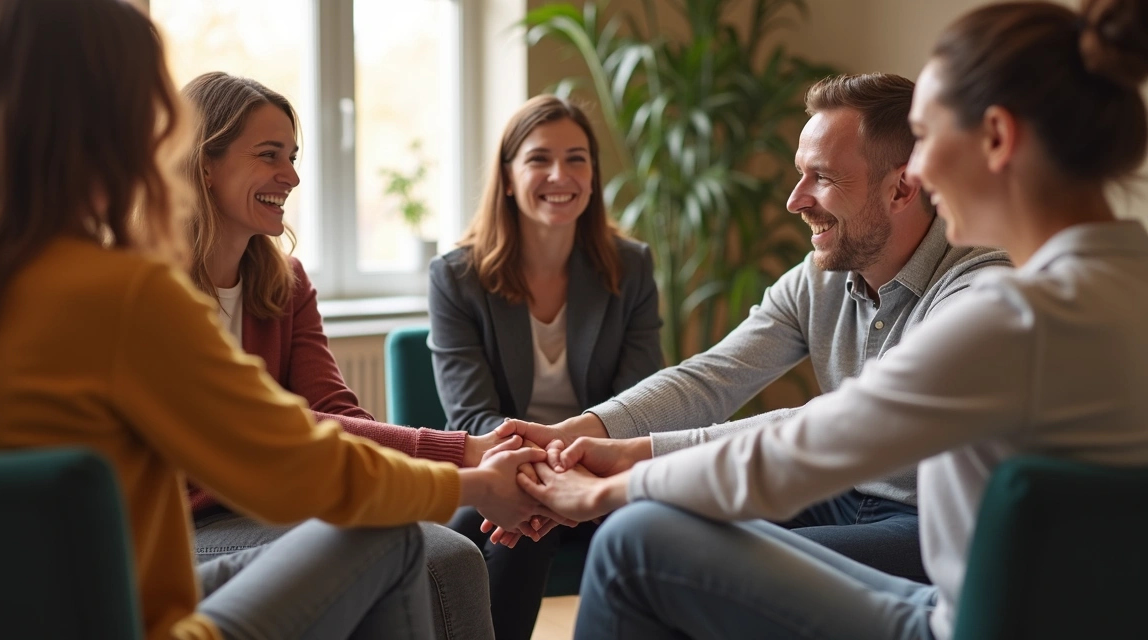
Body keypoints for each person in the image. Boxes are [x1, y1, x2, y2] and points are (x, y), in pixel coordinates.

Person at [520, 1, 1148, 638]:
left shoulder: (1010, 315)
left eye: (926, 136)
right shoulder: (1119, 287)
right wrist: (615, 446)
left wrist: (604, 492)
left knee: (636, 537)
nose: (920, 169)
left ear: (996, 137)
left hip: (952, 622)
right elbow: (723, 382)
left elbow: (808, 443)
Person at [0, 1, 556, 639]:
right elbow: (296, 463)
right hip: (132, 614)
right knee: (392, 540)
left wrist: (464, 475)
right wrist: (473, 481)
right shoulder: (127, 293)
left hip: (52, 604)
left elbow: (327, 419)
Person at [499, 72, 1011, 582]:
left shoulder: (977, 293)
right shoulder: (820, 278)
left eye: (823, 177)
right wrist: (575, 436)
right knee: (649, 525)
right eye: (799, 173)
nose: (795, 200)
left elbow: (833, 422)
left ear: (901, 188)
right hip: (842, 495)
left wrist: (634, 457)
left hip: (934, 525)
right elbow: (711, 377)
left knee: (688, 560)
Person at [179, 71, 507, 640]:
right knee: (400, 547)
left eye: (293, 155)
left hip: (284, 502)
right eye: (269, 155)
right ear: (205, 163)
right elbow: (271, 427)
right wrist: (466, 454)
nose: (292, 176)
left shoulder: (286, 282)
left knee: (450, 556)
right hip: (188, 524)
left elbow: (338, 413)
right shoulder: (150, 288)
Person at [427, 94, 665, 640]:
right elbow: (471, 415)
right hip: (504, 466)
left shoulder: (630, 267)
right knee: (513, 518)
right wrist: (539, 476)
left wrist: (571, 469)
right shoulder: (456, 276)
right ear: (508, 176)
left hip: (600, 470)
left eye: (577, 158)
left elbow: (639, 398)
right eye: (539, 159)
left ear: (593, 174)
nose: (560, 174)